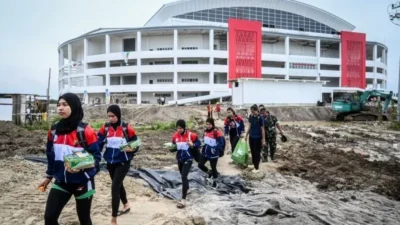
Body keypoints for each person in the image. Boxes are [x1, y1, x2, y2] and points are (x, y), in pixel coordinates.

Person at [39, 93, 101, 225]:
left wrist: (80, 166)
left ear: (74, 106)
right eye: (58, 105)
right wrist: (49, 176)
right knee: (49, 218)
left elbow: (96, 159)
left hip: (83, 182)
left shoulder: (85, 131)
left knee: (84, 219)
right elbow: (51, 155)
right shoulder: (54, 131)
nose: (60, 108)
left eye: (65, 105)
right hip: (61, 181)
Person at [97, 105, 139, 225]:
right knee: (118, 184)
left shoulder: (127, 128)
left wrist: (132, 149)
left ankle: (114, 219)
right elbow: (98, 144)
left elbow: (136, 144)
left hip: (123, 161)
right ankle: (126, 204)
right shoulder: (105, 128)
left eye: (113, 116)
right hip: (110, 162)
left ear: (118, 115)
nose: (111, 118)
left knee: (114, 187)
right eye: (109, 116)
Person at [171, 119, 201, 209]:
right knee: (182, 175)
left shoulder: (190, 135)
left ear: (184, 128)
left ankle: (183, 199)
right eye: (177, 128)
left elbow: (198, 143)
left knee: (184, 176)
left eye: (180, 128)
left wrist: (192, 144)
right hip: (180, 158)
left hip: (188, 158)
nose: (178, 130)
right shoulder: (175, 136)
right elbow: (173, 146)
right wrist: (171, 148)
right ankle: (187, 188)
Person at [198, 118, 224, 187]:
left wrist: (214, 148)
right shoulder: (205, 132)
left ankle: (215, 183)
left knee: (213, 168)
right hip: (205, 152)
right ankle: (209, 172)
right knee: (200, 165)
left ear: (212, 124)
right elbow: (203, 140)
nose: (208, 126)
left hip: (213, 154)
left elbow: (221, 143)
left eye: (209, 124)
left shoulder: (216, 132)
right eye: (207, 124)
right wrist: (201, 145)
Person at [243, 105, 265, 174]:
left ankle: (257, 168)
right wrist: (246, 135)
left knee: (257, 153)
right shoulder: (251, 116)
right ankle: (253, 164)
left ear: (257, 110)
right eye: (251, 111)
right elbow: (249, 126)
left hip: (258, 138)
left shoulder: (260, 118)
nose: (252, 113)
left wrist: (263, 140)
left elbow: (262, 129)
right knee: (252, 151)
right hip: (251, 137)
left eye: (254, 111)